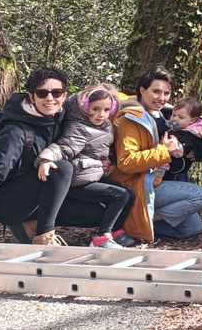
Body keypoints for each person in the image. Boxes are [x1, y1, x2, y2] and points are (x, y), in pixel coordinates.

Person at [0, 67, 74, 251]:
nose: (50, 99)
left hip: (36, 192)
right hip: (6, 202)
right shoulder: (15, 133)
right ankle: (41, 234)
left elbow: (98, 102)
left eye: (56, 93)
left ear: (64, 95)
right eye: (42, 93)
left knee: (113, 201)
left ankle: (109, 234)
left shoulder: (60, 118)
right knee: (62, 168)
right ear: (31, 97)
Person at [110, 65, 202, 241]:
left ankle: (138, 223)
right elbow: (126, 162)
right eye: (156, 92)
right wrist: (165, 150)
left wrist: (196, 149)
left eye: (166, 93)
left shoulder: (165, 115)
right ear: (142, 90)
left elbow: (192, 133)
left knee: (192, 227)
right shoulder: (131, 119)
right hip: (139, 184)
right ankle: (136, 220)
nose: (161, 98)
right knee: (200, 195)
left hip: (157, 180)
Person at [35, 84, 133, 249]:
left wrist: (111, 162)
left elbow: (103, 150)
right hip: (78, 181)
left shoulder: (106, 126)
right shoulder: (79, 128)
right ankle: (102, 238)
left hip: (91, 176)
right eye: (95, 109)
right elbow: (63, 148)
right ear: (86, 107)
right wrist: (44, 160)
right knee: (120, 195)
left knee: (128, 195)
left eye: (106, 110)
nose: (100, 114)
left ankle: (114, 232)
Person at [164, 96, 202, 183]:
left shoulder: (189, 134)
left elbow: (178, 151)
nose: (175, 119)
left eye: (180, 117)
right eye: (173, 115)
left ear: (192, 120)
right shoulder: (182, 128)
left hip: (175, 167)